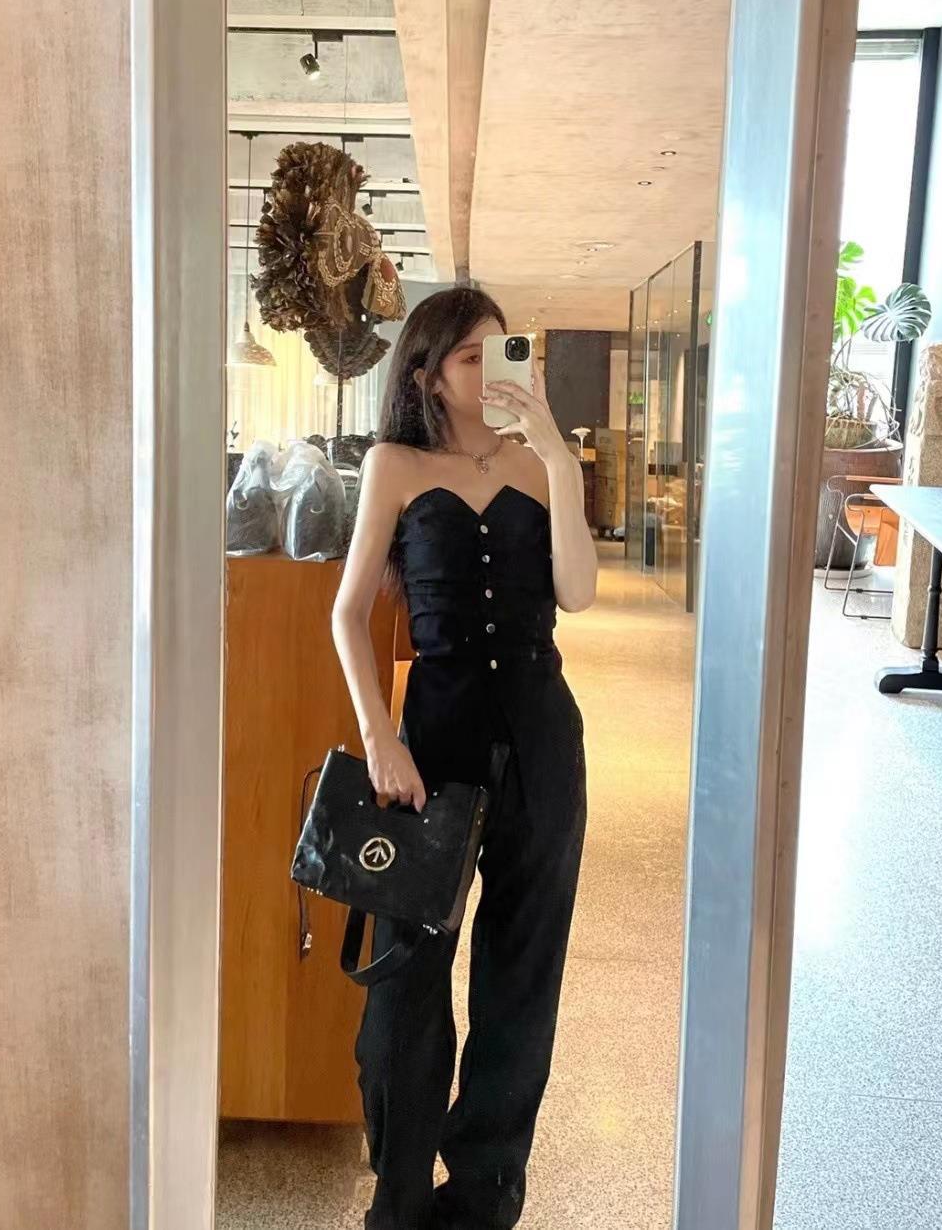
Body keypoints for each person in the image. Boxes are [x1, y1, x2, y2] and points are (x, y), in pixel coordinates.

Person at [332, 286, 598, 1230]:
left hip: (542, 741)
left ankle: (484, 1194)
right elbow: (347, 614)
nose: (492, 373)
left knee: (522, 974)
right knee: (407, 978)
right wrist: (380, 737)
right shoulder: (395, 466)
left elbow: (578, 593)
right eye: (471, 357)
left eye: (503, 352)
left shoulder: (539, 466)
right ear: (428, 375)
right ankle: (399, 1194)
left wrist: (559, 457)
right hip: (433, 749)